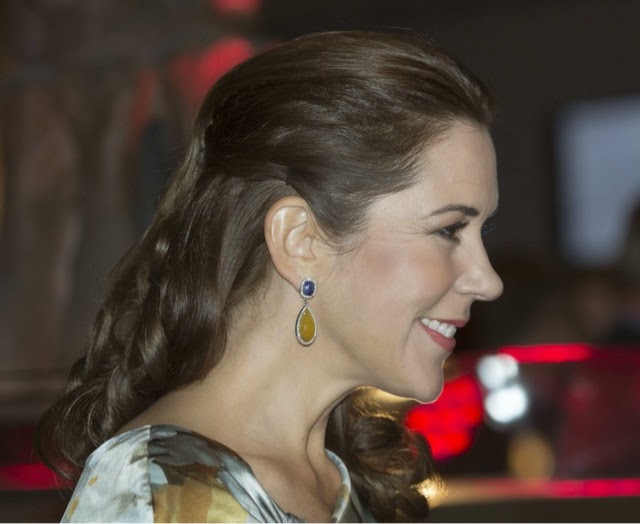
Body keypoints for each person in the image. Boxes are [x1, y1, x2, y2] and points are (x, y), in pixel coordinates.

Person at [37, 30, 503, 522]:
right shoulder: (167, 493)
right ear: (300, 241)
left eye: (480, 233)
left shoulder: (339, 482)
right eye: (449, 229)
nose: (488, 280)